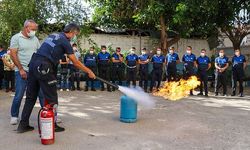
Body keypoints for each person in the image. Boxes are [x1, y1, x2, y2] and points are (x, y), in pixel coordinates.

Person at [16, 23, 96, 133]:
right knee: (52, 98)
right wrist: (89, 71)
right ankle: (52, 125)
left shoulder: (54, 35)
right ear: (72, 32)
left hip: (34, 64)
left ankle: (23, 125)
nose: (74, 36)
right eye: (75, 34)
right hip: (44, 67)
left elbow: (52, 51)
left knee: (30, 97)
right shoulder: (65, 41)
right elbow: (75, 62)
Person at [9, 19, 44, 125]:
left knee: (42, 94)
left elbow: (39, 53)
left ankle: (49, 114)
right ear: (26, 28)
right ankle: (14, 116)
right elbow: (13, 54)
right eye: (33, 29)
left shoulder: (35, 39)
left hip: (35, 71)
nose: (34, 31)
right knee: (19, 95)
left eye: (35, 29)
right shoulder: (16, 38)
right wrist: (20, 69)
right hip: (21, 71)